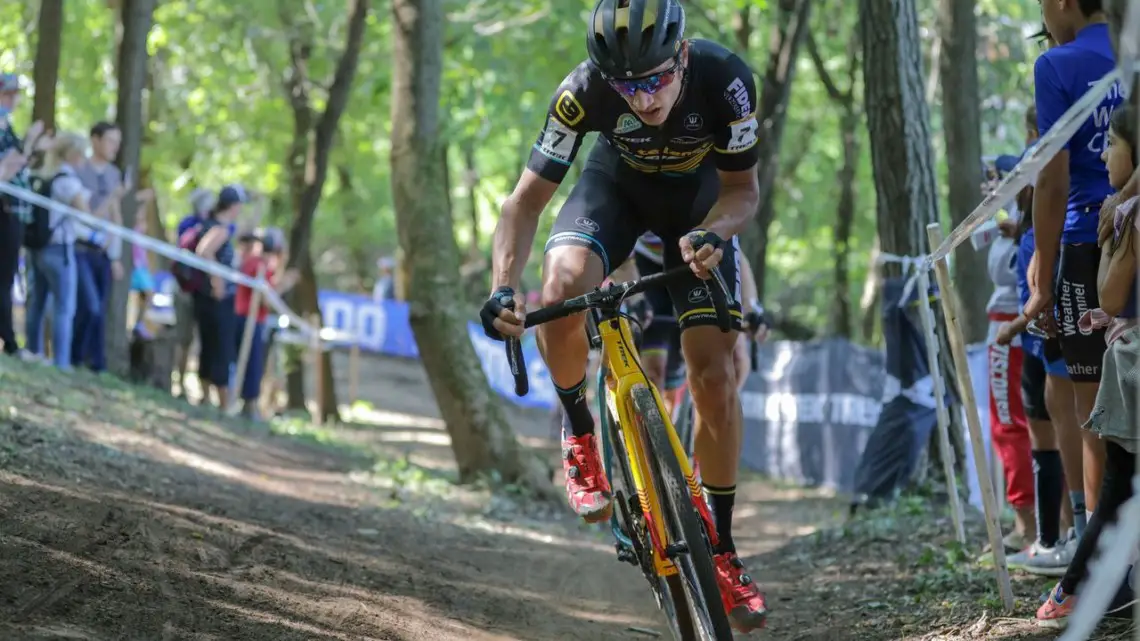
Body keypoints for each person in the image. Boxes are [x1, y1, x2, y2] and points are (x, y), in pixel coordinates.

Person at [479, 0, 767, 630]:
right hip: (614, 193)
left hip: (700, 207)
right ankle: (579, 431)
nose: (643, 97)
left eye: (657, 78)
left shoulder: (728, 80)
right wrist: (503, 287)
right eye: (627, 85)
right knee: (560, 284)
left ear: (683, 54)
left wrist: (717, 233)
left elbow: (744, 191)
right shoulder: (580, 93)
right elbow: (522, 204)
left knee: (714, 377)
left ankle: (719, 547)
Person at [1037, 105, 1138, 628]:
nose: (1100, 154)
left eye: (1111, 146)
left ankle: (1081, 586)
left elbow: (1110, 292)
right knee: (1122, 475)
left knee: (1119, 476)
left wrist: (1113, 223)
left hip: (1133, 365)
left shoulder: (1130, 215)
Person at [1023, 0, 1123, 522]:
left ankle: (1098, 560)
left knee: (1094, 411)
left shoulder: (1056, 64)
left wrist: (1043, 263)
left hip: (1088, 244)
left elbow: (1052, 176)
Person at [26, 133, 113, 369]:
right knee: (65, 308)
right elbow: (89, 218)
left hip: (39, 248)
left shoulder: (46, 174)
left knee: (38, 302)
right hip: (59, 249)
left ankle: (32, 351)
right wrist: (113, 199)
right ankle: (61, 361)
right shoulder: (68, 182)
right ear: (74, 154)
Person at [71, 121, 130, 372]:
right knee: (89, 306)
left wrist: (115, 255)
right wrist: (113, 197)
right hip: (80, 246)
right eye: (110, 141)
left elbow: (115, 217)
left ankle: (95, 362)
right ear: (95, 140)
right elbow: (90, 214)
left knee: (99, 309)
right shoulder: (79, 170)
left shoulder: (114, 174)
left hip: (103, 252)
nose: (114, 147)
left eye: (118, 142)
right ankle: (74, 356)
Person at [234, 227, 298, 420]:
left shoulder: (259, 264)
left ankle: (251, 404)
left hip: (252, 319)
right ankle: (249, 405)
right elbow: (265, 299)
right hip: (249, 319)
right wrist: (285, 284)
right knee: (252, 363)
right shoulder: (258, 265)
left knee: (256, 362)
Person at [0, 72, 43, 361]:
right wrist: (27, 144)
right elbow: (4, 170)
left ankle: (11, 342)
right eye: (8, 93)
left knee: (7, 278)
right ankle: (12, 345)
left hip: (15, 210)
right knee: (4, 279)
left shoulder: (7, 126)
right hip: (4, 210)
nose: (13, 100)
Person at [192, 186, 244, 408]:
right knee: (221, 347)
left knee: (210, 345)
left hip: (206, 297)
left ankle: (206, 396)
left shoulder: (209, 224)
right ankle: (223, 403)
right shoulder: (219, 229)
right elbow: (204, 251)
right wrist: (218, 280)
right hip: (216, 299)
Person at [173, 187, 216, 397]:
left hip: (204, 294)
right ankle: (178, 383)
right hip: (186, 290)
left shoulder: (214, 226)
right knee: (184, 338)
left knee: (203, 340)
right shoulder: (188, 225)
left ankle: (202, 389)